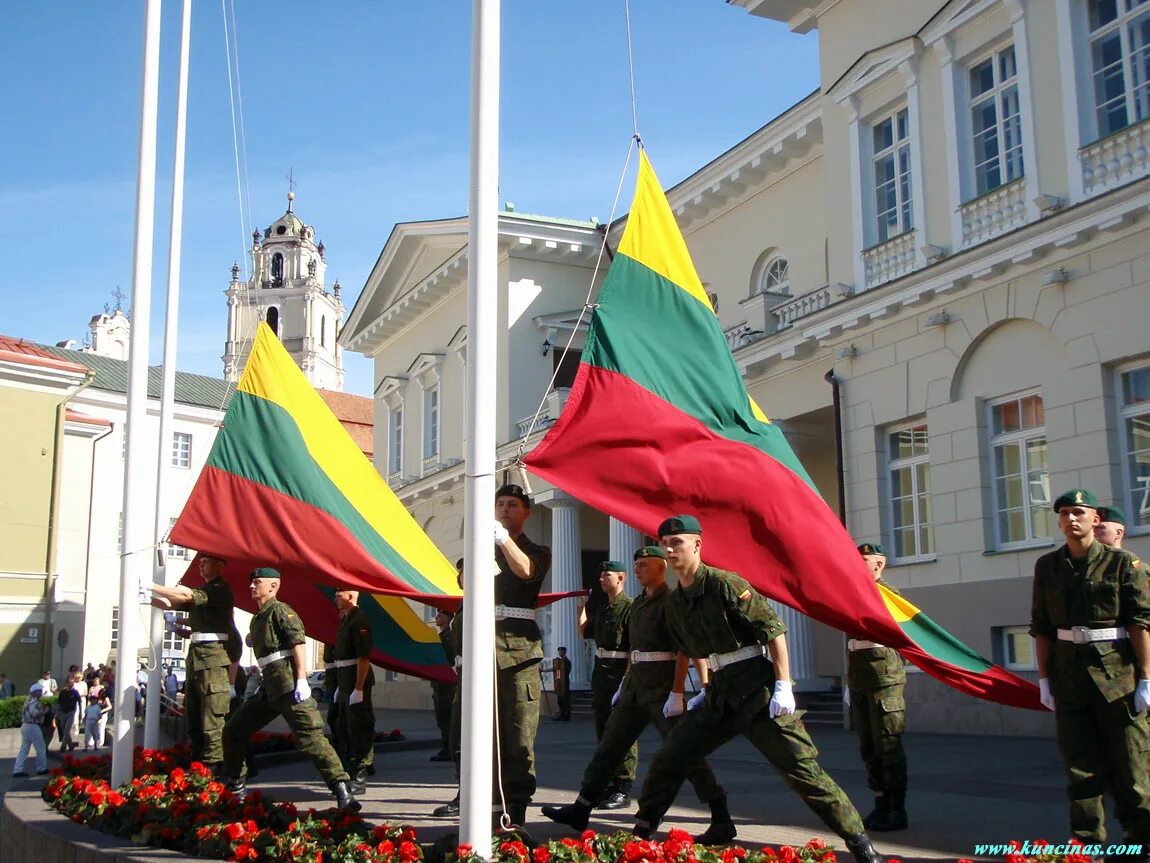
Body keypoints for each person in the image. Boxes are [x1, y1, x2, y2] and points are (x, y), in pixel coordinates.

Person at [630, 515, 882, 863]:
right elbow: (689, 650)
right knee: (671, 756)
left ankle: (860, 844)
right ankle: (641, 834)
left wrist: (783, 685)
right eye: (665, 544)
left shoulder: (725, 583)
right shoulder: (676, 603)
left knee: (801, 769)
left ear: (697, 545)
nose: (670, 550)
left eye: (677, 543)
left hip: (755, 690)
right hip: (720, 695)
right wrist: (696, 689)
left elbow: (773, 632)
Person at [543, 545, 736, 844]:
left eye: (644, 564)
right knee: (609, 746)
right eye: (636, 565)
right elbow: (633, 648)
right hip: (634, 687)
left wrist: (678, 692)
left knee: (685, 753)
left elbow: (683, 650)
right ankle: (582, 807)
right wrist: (625, 683)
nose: (637, 570)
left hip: (661, 689)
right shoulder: (639, 604)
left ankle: (720, 816)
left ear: (661, 568)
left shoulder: (671, 603)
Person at [1031, 489, 1150, 846]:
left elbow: (1140, 623)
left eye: (1078, 512)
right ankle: (1087, 845)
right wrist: (1043, 679)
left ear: (1095, 519)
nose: (1071, 519)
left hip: (1119, 679)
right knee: (1080, 769)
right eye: (1064, 513)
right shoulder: (1048, 566)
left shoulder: (1123, 563)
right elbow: (1041, 626)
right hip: (1070, 678)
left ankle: (1140, 841)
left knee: (1131, 767)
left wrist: (1146, 678)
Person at [221, 567, 359, 810]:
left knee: (312, 738)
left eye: (258, 582)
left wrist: (302, 679)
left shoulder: (281, 611)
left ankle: (342, 790)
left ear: (273, 586)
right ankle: (236, 786)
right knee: (234, 730)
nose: (252, 586)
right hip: (269, 688)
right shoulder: (258, 617)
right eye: (252, 582)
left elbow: (298, 644)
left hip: (289, 685)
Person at [490, 483, 552, 826]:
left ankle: (515, 808)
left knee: (518, 736)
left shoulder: (537, 550)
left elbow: (527, 572)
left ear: (526, 511)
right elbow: (465, 580)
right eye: (500, 504)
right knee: (476, 733)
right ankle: (481, 799)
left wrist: (503, 540)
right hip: (484, 651)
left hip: (518, 653)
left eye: (512, 504)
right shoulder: (484, 548)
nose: (504, 509)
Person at [842, 542, 908, 831]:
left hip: (884, 677)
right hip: (860, 676)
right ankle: (881, 802)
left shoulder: (887, 594)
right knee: (868, 745)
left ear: (879, 564)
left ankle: (896, 808)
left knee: (887, 743)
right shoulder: (854, 593)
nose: (855, 565)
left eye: (863, 561)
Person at [151, 552, 236, 772]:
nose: (200, 566)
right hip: (197, 658)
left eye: (205, 562)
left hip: (213, 659)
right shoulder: (204, 592)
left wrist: (152, 586)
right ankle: (198, 764)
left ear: (219, 565)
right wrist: (147, 598)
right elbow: (173, 603)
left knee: (212, 717)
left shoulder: (218, 590)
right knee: (194, 716)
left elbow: (186, 595)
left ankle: (215, 767)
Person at [582, 560, 636, 809]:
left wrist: (626, 680)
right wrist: (582, 606)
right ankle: (610, 782)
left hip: (618, 673)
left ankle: (623, 786)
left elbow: (634, 648)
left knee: (622, 730)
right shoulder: (604, 609)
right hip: (601, 675)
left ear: (621, 578)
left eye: (607, 575)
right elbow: (584, 632)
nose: (602, 579)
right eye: (601, 575)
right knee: (603, 731)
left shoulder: (630, 608)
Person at [331, 589, 376, 794]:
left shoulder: (359, 620)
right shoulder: (346, 620)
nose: (335, 599)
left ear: (350, 597)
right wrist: (340, 687)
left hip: (355, 681)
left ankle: (359, 776)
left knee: (359, 728)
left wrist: (358, 688)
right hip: (345, 681)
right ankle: (350, 772)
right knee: (343, 727)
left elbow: (363, 657)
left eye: (339, 595)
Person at [430, 609, 457, 762]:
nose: (436, 617)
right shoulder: (440, 636)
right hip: (439, 683)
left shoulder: (448, 637)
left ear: (448, 618)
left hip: (446, 684)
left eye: (440, 615)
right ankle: (447, 747)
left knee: (446, 717)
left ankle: (449, 748)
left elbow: (449, 659)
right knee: (442, 717)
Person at [12, 683, 49, 777]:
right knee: (41, 747)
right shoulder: (34, 701)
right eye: (40, 691)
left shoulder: (27, 700)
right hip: (33, 726)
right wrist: (44, 712)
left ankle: (17, 769)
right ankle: (42, 768)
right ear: (35, 692)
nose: (41, 693)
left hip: (25, 725)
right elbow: (34, 714)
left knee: (24, 749)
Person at [55, 675, 81, 752]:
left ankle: (63, 746)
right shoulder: (63, 692)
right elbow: (59, 703)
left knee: (67, 729)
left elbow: (79, 702)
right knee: (64, 729)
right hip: (63, 712)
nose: (71, 684)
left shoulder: (75, 692)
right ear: (67, 683)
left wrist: (80, 713)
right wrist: (57, 713)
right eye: (70, 683)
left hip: (71, 712)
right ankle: (70, 744)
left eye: (73, 683)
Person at [554, 647, 573, 722]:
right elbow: (557, 672)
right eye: (559, 652)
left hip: (565, 683)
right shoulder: (559, 662)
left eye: (561, 652)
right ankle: (561, 714)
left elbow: (565, 672)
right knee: (560, 700)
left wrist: (559, 667)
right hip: (559, 684)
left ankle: (567, 715)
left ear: (564, 652)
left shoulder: (567, 662)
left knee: (566, 700)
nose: (560, 653)